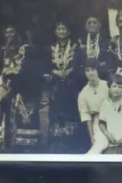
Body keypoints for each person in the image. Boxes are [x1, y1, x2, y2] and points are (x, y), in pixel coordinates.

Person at [46, 21, 89, 154]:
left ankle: (73, 140)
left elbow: (82, 64)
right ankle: (58, 140)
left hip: (72, 84)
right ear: (55, 32)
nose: (61, 31)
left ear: (68, 32)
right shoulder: (50, 48)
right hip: (56, 85)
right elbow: (45, 65)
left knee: (72, 110)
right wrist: (54, 72)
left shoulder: (76, 48)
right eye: (59, 29)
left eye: (64, 29)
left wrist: (71, 71)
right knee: (56, 111)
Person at [0, 25, 23, 150]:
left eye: (11, 31)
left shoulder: (21, 48)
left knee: (16, 111)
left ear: (16, 33)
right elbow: (0, 66)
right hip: (5, 83)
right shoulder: (3, 49)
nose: (9, 34)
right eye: (7, 32)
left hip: (17, 82)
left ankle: (17, 140)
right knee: (4, 110)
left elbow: (21, 66)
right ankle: (3, 139)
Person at [77, 61, 110, 154]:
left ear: (97, 71)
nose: (90, 73)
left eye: (93, 70)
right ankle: (88, 158)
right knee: (101, 141)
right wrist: (92, 138)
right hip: (98, 121)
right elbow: (87, 118)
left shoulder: (107, 85)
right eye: (87, 70)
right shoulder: (83, 93)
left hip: (113, 117)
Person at [77, 16, 112, 82]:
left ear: (99, 25)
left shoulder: (106, 41)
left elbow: (109, 61)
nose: (92, 25)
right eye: (89, 23)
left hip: (102, 77)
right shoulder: (81, 41)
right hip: (85, 79)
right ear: (85, 26)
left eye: (94, 22)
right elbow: (78, 63)